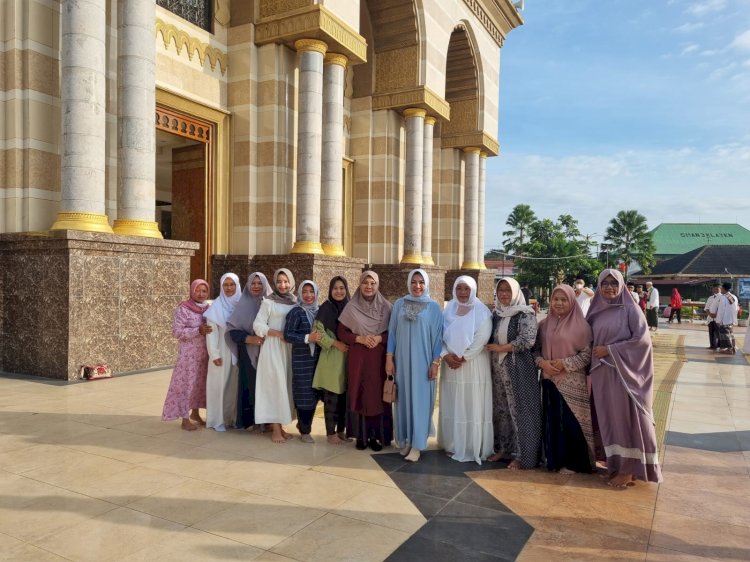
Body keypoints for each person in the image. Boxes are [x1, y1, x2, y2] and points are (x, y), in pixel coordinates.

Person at [587, 269, 663, 488]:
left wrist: (609, 350)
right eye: (604, 283)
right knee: (610, 421)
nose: (609, 288)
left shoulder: (630, 309)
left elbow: (642, 342)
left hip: (626, 377)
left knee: (627, 419)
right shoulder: (596, 311)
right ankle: (617, 466)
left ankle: (630, 470)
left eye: (613, 283)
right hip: (602, 375)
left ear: (621, 285)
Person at [534, 285, 595, 473]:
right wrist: (541, 363)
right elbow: (535, 350)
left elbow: (587, 355)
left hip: (572, 383)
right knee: (552, 421)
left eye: (564, 300)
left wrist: (564, 364)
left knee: (571, 423)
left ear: (572, 301)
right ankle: (555, 461)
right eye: (555, 299)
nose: (559, 303)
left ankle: (574, 463)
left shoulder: (582, 326)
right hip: (549, 380)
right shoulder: (544, 324)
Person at [386, 269, 443, 463]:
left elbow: (437, 339)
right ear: (409, 283)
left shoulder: (433, 307)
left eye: (421, 282)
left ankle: (418, 444)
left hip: (423, 362)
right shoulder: (399, 304)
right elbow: (392, 333)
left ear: (426, 284)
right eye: (414, 282)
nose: (417, 286)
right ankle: (407, 440)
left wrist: (435, 363)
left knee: (420, 401)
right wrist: (389, 358)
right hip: (402, 362)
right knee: (404, 400)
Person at [486, 277, 542, 470]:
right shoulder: (497, 314)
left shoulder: (525, 314)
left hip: (519, 369)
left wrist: (503, 348)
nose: (504, 294)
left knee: (520, 411)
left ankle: (522, 454)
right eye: (500, 290)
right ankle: (504, 448)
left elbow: (527, 340)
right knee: (501, 410)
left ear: (516, 293)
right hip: (498, 369)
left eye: (508, 290)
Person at [438, 276, 494, 464]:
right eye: (459, 288)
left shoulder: (482, 311)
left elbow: (482, 338)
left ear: (473, 290)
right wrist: (446, 355)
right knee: (454, 403)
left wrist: (463, 357)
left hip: (473, 366)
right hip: (451, 366)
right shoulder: (448, 310)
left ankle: (471, 445)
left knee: (471, 403)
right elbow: (440, 336)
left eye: (466, 289)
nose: (462, 293)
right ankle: (453, 443)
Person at [338, 271, 393, 451]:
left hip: (378, 360)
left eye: (372, 283)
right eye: (365, 283)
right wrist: (359, 338)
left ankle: (377, 436)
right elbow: (342, 333)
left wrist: (379, 339)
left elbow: (392, 334)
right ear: (359, 285)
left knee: (377, 397)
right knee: (360, 394)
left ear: (378, 285)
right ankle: (361, 435)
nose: (369, 287)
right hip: (359, 359)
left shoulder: (387, 308)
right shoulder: (351, 307)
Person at [162, 279, 212, 431]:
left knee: (199, 384)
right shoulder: (183, 309)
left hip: (204, 355)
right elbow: (177, 332)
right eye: (198, 290)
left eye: (204, 291)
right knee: (186, 385)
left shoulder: (208, 309)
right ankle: (185, 418)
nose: (201, 294)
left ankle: (195, 413)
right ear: (192, 291)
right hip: (188, 356)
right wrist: (197, 331)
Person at [253, 268, 297, 443]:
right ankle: (275, 429)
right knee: (274, 387)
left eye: (286, 281)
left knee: (285, 386)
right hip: (272, 349)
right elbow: (257, 325)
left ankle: (281, 425)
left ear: (291, 282)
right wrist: (277, 334)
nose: (283, 285)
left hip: (288, 350)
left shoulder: (295, 302)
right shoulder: (268, 302)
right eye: (279, 281)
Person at [227, 272, 273, 430]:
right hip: (249, 352)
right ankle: (254, 421)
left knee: (271, 386)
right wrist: (249, 339)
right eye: (253, 283)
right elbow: (233, 330)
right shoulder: (243, 303)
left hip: (271, 352)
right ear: (247, 285)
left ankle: (272, 421)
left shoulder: (272, 302)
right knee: (252, 386)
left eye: (260, 283)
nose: (256, 286)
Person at [312, 276, 351, 445]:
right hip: (330, 359)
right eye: (335, 288)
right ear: (330, 290)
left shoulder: (351, 308)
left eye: (342, 288)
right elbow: (317, 333)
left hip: (348, 359)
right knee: (331, 399)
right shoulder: (325, 308)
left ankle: (341, 431)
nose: (339, 291)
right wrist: (335, 343)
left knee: (344, 398)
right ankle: (330, 434)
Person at [284, 280, 323, 442]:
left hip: (319, 360)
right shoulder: (296, 312)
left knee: (314, 395)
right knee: (304, 395)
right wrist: (308, 338)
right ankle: (305, 431)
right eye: (305, 292)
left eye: (311, 291)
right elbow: (288, 335)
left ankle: (304, 425)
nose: (308, 295)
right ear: (300, 293)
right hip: (302, 360)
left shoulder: (320, 311)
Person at [204, 272, 241, 432]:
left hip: (238, 351)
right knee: (218, 386)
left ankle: (230, 418)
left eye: (232, 284)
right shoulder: (216, 307)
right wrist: (215, 354)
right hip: (221, 351)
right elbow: (211, 333)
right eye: (225, 285)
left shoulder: (241, 304)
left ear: (237, 285)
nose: (229, 288)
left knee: (233, 387)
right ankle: (216, 420)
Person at [714, 282, 739, 354]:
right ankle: (733, 347)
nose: (721, 289)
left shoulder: (723, 297)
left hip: (724, 320)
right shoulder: (734, 297)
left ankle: (730, 349)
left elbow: (721, 310)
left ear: (724, 288)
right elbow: (736, 308)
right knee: (731, 334)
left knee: (725, 335)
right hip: (731, 319)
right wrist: (734, 319)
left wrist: (718, 320)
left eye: (721, 288)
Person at [704, 284, 722, 350]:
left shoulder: (722, 297)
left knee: (719, 333)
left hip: (718, 318)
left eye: (717, 289)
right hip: (710, 318)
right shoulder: (710, 298)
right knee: (711, 332)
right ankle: (712, 345)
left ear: (720, 289)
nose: (716, 290)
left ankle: (720, 346)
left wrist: (716, 314)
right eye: (714, 289)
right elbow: (706, 308)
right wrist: (710, 314)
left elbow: (722, 308)